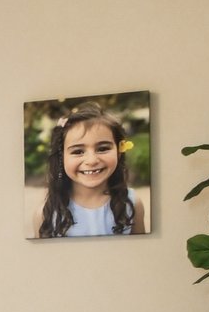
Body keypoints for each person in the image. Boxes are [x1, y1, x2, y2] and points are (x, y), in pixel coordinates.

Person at [32, 101, 148, 238]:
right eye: (78, 151)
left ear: (119, 151)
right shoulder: (46, 214)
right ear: (61, 157)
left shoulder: (133, 204)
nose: (92, 160)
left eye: (103, 148)